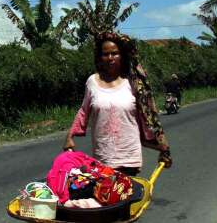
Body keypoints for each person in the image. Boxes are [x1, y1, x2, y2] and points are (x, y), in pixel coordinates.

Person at [63, 32, 172, 176]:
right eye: (105, 54)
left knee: (125, 196)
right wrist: (70, 136)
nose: (110, 58)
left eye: (114, 53)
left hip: (129, 158)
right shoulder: (92, 82)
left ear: (123, 56)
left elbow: (150, 117)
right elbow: (83, 111)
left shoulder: (133, 83)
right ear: (99, 57)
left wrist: (163, 147)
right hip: (103, 157)